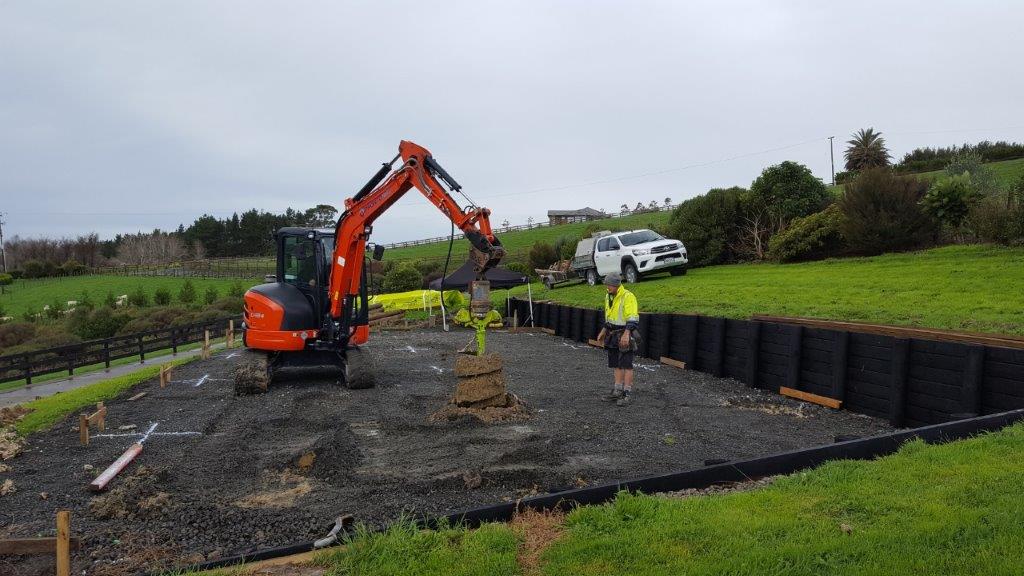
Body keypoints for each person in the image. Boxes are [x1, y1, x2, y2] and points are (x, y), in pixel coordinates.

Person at [595, 273, 639, 406]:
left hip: (625, 333)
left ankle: (627, 393)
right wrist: (603, 331)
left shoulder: (628, 296)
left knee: (627, 364)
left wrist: (627, 334)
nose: (607, 287)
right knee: (616, 364)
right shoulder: (609, 296)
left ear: (615, 285)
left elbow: (632, 317)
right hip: (613, 334)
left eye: (609, 285)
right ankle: (617, 391)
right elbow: (609, 316)